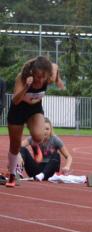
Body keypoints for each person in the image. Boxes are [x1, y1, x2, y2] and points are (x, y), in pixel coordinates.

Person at [5, 56, 64, 187]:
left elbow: (55, 66)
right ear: (32, 72)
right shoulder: (23, 77)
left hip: (34, 109)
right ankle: (12, 176)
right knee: (15, 146)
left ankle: (32, 148)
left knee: (39, 136)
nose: (40, 80)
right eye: (37, 77)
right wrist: (27, 86)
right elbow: (15, 100)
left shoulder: (48, 77)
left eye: (43, 77)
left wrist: (58, 79)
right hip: (18, 110)